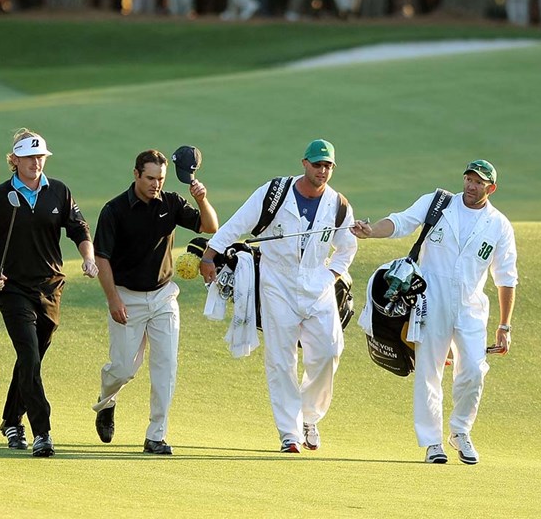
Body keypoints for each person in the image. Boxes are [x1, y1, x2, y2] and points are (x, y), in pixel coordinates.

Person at [350, 160, 518, 465]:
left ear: (490, 188)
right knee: (429, 371)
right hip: (430, 301)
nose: (471, 185)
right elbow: (401, 222)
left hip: (470, 308)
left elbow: (506, 277)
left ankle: (460, 431)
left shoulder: (499, 225)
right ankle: (432, 443)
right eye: (468, 179)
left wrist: (504, 326)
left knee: (474, 371)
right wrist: (372, 230)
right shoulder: (438, 204)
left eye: (479, 182)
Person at [200, 140, 358, 453]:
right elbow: (239, 223)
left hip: (318, 283)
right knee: (281, 358)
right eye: (317, 165)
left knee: (329, 350)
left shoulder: (339, 205)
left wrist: (330, 276)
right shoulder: (274, 193)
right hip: (277, 283)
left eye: (327, 166)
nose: (322, 171)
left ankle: (309, 417)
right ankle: (289, 433)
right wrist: (210, 254)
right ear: (304, 164)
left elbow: (347, 247)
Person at [0, 129, 99, 458]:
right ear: (14, 160)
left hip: (51, 287)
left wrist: (88, 257)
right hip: (13, 288)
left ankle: (11, 419)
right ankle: (43, 432)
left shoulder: (58, 192)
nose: (35, 163)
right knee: (28, 356)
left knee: (32, 361)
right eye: (28, 157)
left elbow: (79, 228)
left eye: (40, 157)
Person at [92, 149, 218, 455]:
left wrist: (201, 198)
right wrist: (113, 300)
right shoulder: (114, 211)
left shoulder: (171, 202)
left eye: (160, 179)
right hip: (126, 297)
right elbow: (101, 258)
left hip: (163, 296)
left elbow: (210, 227)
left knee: (166, 366)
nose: (155, 184)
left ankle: (156, 435)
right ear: (136, 174)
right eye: (150, 178)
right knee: (123, 369)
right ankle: (107, 401)